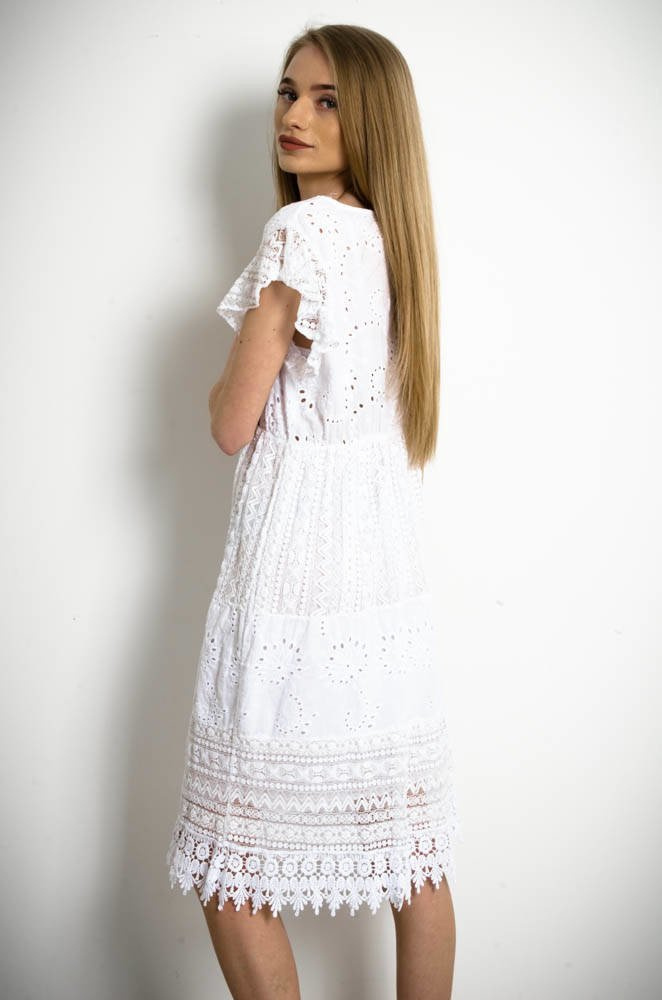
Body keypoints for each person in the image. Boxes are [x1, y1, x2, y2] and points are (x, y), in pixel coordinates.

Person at [166, 23, 463, 1000]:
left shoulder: (301, 232)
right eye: (288, 92)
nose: (295, 115)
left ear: (370, 118)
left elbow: (231, 422)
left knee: (229, 856)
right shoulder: (390, 240)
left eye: (327, 100)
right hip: (380, 578)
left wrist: (217, 389)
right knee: (409, 849)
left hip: (293, 573)